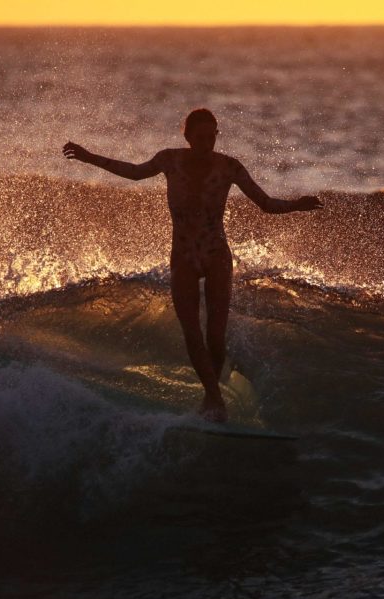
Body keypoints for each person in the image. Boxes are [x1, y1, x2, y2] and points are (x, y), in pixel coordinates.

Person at [63, 108, 321, 423]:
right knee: (192, 333)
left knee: (215, 335)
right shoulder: (169, 160)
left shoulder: (229, 167)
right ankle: (214, 398)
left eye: (212, 136)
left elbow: (265, 204)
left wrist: (297, 205)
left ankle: (212, 397)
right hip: (183, 257)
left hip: (216, 256)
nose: (207, 143)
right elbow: (133, 172)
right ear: (187, 137)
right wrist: (89, 157)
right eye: (201, 137)